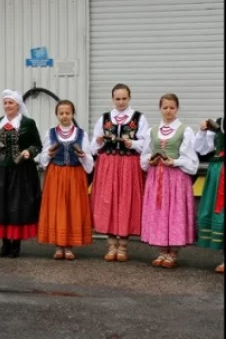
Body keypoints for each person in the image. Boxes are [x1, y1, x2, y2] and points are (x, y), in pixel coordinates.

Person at [90, 83, 150, 263]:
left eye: (124, 98)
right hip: (108, 163)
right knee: (108, 201)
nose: (121, 102)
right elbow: (93, 146)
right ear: (112, 99)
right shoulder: (105, 118)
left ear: (129, 98)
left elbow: (147, 142)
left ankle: (123, 247)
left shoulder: (139, 117)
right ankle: (111, 246)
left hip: (129, 164)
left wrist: (133, 144)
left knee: (126, 201)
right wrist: (100, 141)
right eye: (118, 99)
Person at [140, 94, 198, 269]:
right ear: (160, 109)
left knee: (174, 212)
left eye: (172, 108)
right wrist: (149, 160)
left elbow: (192, 162)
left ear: (177, 109)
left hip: (176, 179)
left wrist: (175, 162)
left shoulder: (185, 130)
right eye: (165, 107)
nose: (168, 111)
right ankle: (162, 251)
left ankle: (173, 252)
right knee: (159, 212)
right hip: (157, 177)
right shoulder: (152, 131)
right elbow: (144, 156)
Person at [0, 90, 42, 258]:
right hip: (0, 170)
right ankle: (5, 243)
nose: (8, 106)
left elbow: (37, 145)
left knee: (17, 206)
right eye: (6, 103)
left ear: (18, 105)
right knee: (2, 205)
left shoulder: (27, 123)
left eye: (11, 103)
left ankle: (16, 243)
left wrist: (28, 152)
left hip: (21, 170)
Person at [37, 100, 94, 260]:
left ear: (72, 114)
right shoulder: (50, 133)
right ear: (57, 115)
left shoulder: (81, 134)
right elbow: (42, 159)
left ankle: (69, 246)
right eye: (61, 113)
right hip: (56, 174)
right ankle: (58, 245)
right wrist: (49, 153)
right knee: (57, 208)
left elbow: (89, 158)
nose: (64, 116)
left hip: (75, 174)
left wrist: (83, 155)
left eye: (67, 113)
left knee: (72, 208)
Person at [195, 115, 224, 273]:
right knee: (220, 214)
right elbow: (203, 149)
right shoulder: (219, 123)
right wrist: (202, 131)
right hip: (218, 172)